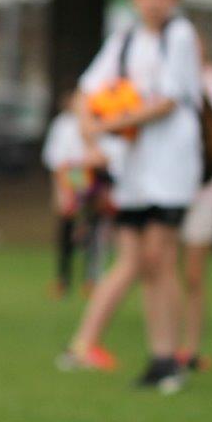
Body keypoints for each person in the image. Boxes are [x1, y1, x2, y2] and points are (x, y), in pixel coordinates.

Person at [59, 0, 203, 393]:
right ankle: (160, 357)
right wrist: (88, 128)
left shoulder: (180, 37)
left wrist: (107, 125)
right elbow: (87, 89)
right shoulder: (125, 38)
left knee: (160, 257)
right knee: (141, 259)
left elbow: (168, 101)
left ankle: (167, 357)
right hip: (135, 169)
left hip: (172, 166)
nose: (155, 2)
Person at [176, 48, 212, 372]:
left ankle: (190, 347)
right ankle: (167, 347)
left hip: (204, 190)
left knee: (194, 274)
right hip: (168, 188)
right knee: (162, 266)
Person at [41, 91, 120, 303]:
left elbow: (109, 157)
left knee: (96, 230)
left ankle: (92, 279)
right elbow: (56, 160)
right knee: (67, 230)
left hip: (95, 178)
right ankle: (63, 279)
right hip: (72, 176)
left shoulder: (103, 121)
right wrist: (61, 190)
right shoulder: (63, 125)